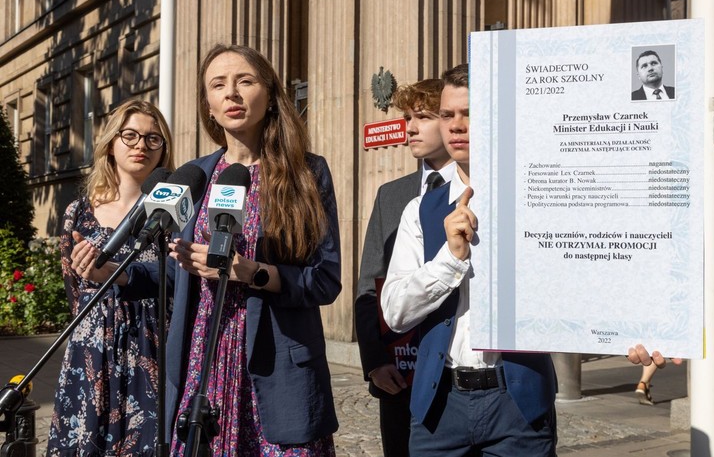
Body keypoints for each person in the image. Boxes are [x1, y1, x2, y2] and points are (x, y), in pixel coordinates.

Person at [110, 44, 341, 455]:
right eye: (218, 85)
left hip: (275, 365)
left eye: (244, 81)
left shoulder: (307, 173)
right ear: (209, 106)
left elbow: (324, 280)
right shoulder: (194, 175)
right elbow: (176, 272)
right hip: (204, 360)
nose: (231, 93)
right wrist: (120, 272)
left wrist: (253, 273)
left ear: (270, 95)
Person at [381, 63, 557, 455]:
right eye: (447, 115)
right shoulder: (419, 210)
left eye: (469, 113)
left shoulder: (540, 199)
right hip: (439, 405)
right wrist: (450, 259)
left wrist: (635, 333)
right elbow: (395, 313)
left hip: (519, 405)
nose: (456, 126)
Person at [47, 99, 175, 455]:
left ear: (163, 148)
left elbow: (179, 281)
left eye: (153, 138)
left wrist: (118, 275)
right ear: (111, 143)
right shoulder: (78, 212)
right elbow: (74, 291)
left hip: (152, 345)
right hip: (92, 350)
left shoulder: (174, 212)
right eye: (130, 135)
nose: (140, 145)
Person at [355, 78, 455, 457]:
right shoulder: (391, 195)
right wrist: (375, 363)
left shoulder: (481, 187)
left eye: (423, 117)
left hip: (459, 374)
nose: (410, 127)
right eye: (407, 118)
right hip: (399, 375)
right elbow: (369, 285)